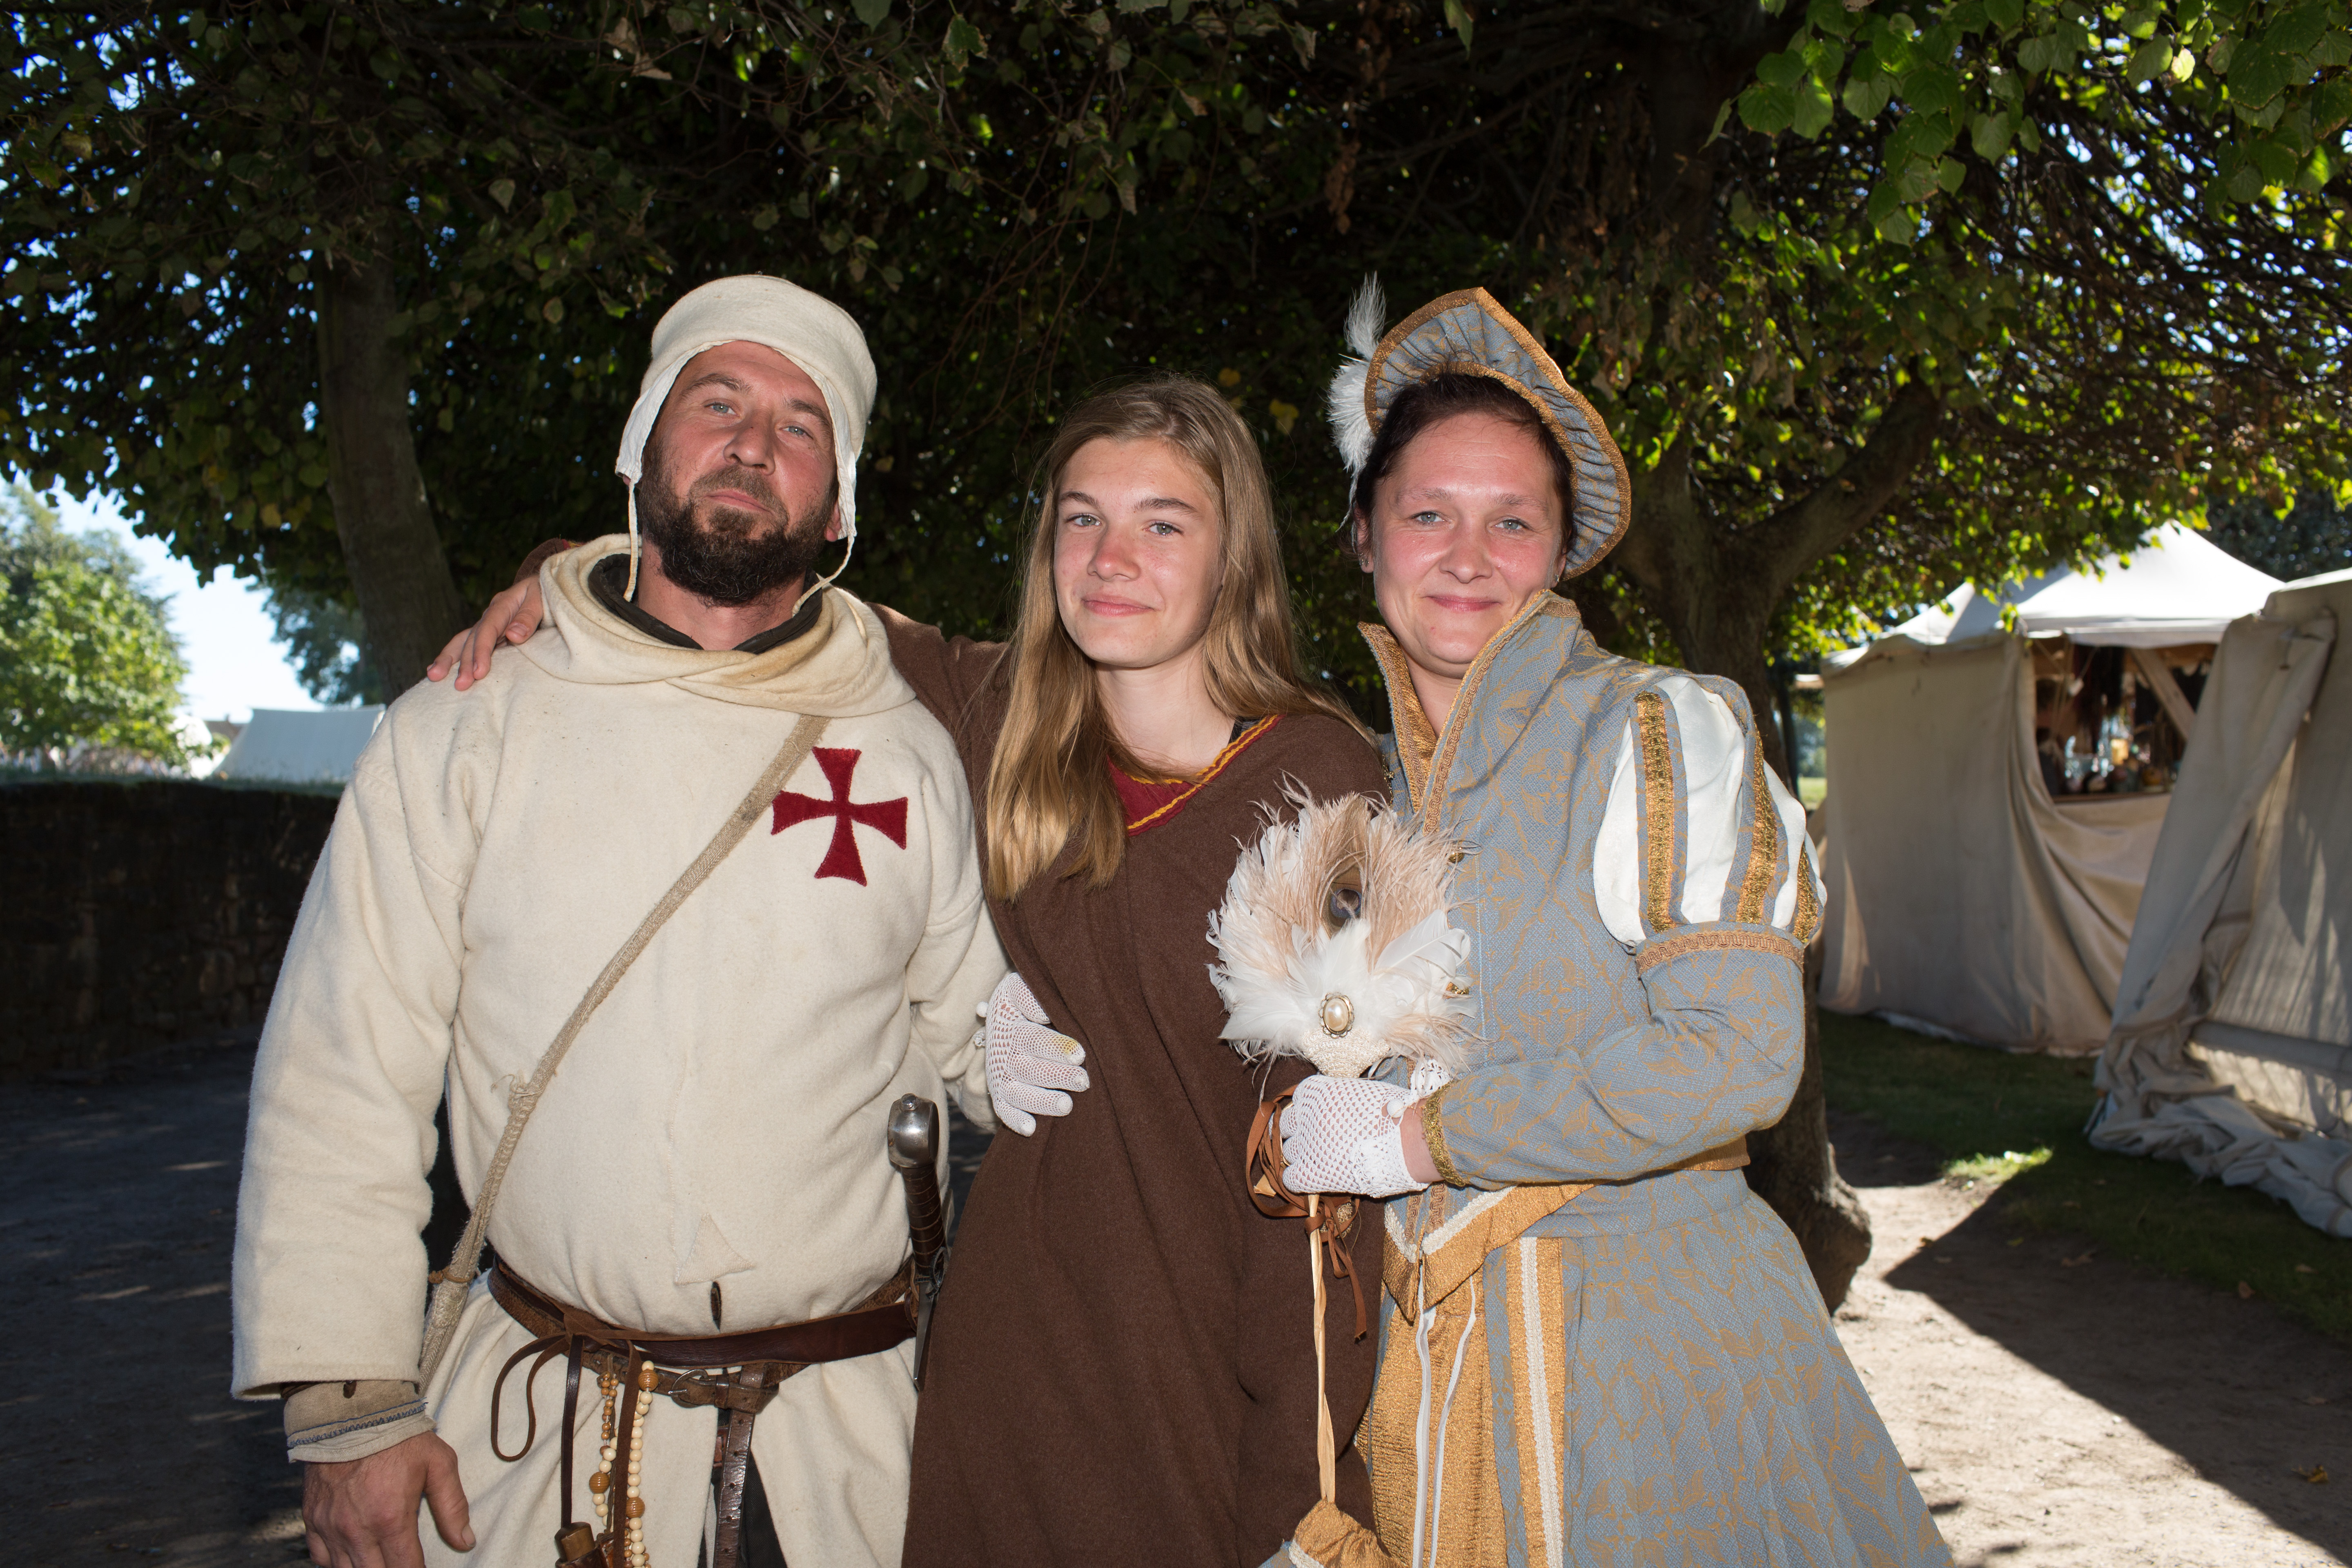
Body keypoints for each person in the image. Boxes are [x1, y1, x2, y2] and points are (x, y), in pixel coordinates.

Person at [434, 377, 1389, 1565]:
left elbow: (1325, 1197)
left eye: (1163, 522)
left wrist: (1303, 1496)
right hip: (1011, 1363)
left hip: (1206, 1364)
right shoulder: (1006, 725)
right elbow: (772, 602)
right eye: (1082, 518)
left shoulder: (1315, 783)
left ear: (1233, 555)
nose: (1111, 558)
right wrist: (574, 575)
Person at [232, 274, 1009, 1568]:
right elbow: (344, 1063)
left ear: (838, 510)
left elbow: (992, 1044)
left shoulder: (907, 747)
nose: (753, 443)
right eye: (718, 403)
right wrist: (346, 1402)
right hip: (544, 1446)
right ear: (642, 444)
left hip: (843, 1461)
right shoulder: (468, 726)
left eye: (801, 425)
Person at [1271, 285, 1951, 1566]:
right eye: (1428, 513)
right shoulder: (1363, 784)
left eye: (1512, 522)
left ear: (1562, 553)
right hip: (1420, 1358)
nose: (1468, 555)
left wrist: (1423, 1139)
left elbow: (1738, 1056)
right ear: (1364, 535)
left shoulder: (1655, 730)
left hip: (1644, 1355)